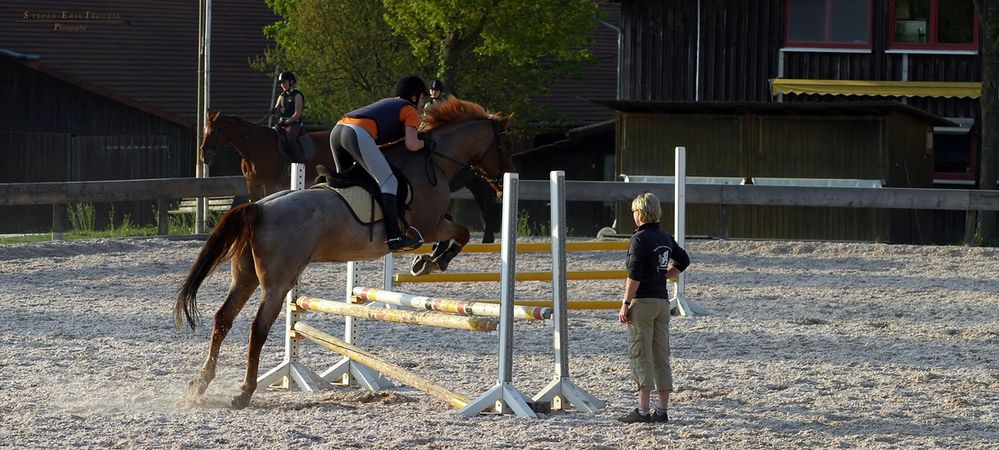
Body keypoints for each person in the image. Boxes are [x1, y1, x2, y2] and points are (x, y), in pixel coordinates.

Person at [329, 75, 428, 251]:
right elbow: (412, 145)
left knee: (345, 184)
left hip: (338, 129)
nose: (422, 103)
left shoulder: (388, 103)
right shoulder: (410, 110)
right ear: (415, 97)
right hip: (356, 133)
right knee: (389, 182)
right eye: (422, 98)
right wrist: (424, 143)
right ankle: (395, 236)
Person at [616, 192, 690, 424]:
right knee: (661, 355)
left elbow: (634, 275)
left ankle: (643, 410)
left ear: (641, 213)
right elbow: (684, 260)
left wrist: (625, 303)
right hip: (661, 303)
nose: (634, 216)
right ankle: (662, 410)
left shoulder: (639, 239)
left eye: (634, 212)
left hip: (643, 303)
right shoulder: (664, 235)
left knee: (641, 354)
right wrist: (663, 276)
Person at [272, 72, 305, 147]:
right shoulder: (281, 96)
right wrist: (274, 112)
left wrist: (286, 122)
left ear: (291, 82)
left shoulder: (297, 95)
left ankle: (296, 157)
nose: (282, 85)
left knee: (290, 140)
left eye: (284, 82)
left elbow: (297, 114)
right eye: (281, 83)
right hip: (282, 122)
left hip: (294, 124)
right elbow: (276, 109)